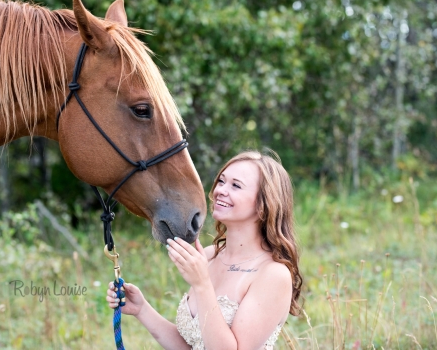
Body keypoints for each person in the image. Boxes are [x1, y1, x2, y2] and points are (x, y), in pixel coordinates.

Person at [106, 150, 303, 350]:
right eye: (221, 181)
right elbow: (192, 345)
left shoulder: (273, 275)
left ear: (264, 205)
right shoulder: (209, 256)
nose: (221, 190)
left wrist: (202, 284)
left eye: (236, 185)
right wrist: (142, 309)